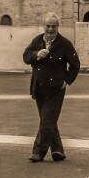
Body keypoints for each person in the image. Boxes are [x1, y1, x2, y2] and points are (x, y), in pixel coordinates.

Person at [23, 13, 80, 163]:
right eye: (48, 26)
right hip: (38, 88)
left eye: (53, 26)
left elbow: (75, 65)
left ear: (58, 27)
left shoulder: (65, 44)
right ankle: (57, 150)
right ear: (44, 26)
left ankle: (38, 152)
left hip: (55, 89)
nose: (50, 29)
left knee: (47, 121)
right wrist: (36, 54)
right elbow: (26, 57)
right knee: (47, 120)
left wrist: (66, 81)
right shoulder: (37, 41)